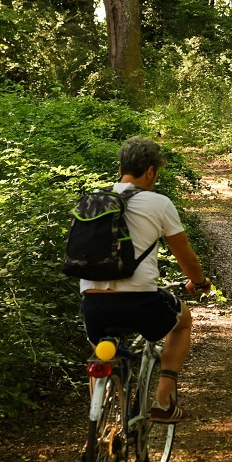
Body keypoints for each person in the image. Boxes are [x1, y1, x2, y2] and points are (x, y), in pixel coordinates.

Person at [79, 136, 211, 422]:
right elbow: (185, 257)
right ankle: (163, 400)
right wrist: (199, 282)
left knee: (102, 355)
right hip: (140, 301)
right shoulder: (158, 203)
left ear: (121, 166)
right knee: (183, 321)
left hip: (93, 303)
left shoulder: (93, 199)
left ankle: (100, 423)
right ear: (150, 171)